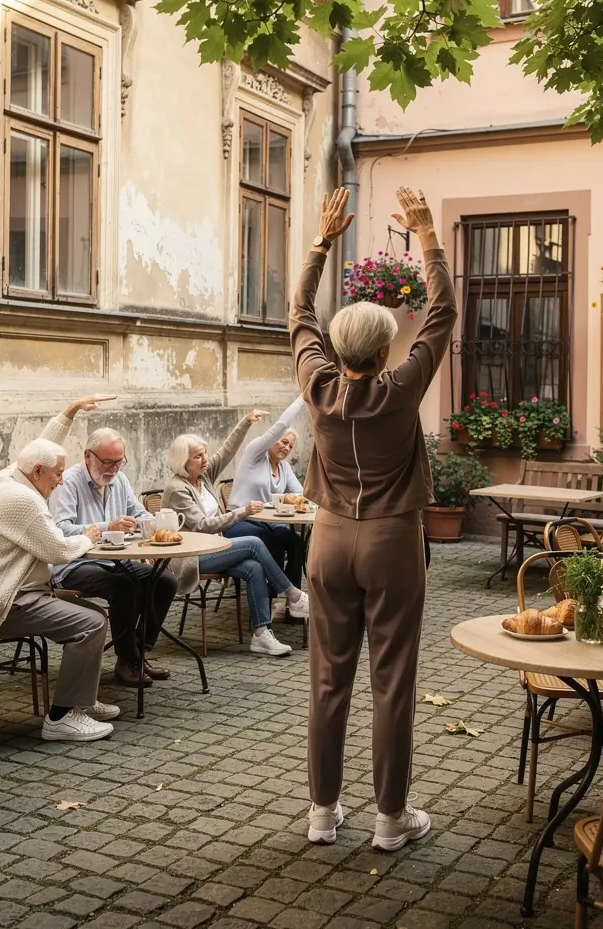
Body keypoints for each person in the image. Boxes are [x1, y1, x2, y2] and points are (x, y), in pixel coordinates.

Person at [292, 187, 457, 851]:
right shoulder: (402, 386)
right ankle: (391, 820)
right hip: (392, 540)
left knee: (327, 680)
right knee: (392, 680)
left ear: (336, 348)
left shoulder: (318, 384)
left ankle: (322, 814)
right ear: (387, 350)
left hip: (329, 540)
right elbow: (442, 311)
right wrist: (425, 234)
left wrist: (321, 242)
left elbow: (299, 311)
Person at [0, 395, 120, 743]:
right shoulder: (25, 501)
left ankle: (82, 701)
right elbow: (60, 550)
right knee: (90, 623)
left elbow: (43, 447)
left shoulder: (8, 476)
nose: (62, 482)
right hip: (5, 601)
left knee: (95, 616)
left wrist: (69, 412)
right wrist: (88, 535)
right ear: (37, 472)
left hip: (14, 591)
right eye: (58, 474)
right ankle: (62, 718)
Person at [162, 412, 310, 658]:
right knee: (254, 542)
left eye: (204, 454)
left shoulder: (203, 478)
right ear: (183, 461)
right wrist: (243, 512)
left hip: (214, 548)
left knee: (253, 567)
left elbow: (228, 449)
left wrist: (246, 421)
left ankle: (261, 634)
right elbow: (202, 526)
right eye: (198, 456)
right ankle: (292, 594)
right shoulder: (178, 488)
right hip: (191, 557)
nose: (205, 459)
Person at [49, 428, 177, 689]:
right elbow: (60, 528)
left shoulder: (119, 480)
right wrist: (109, 526)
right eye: (107, 462)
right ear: (88, 456)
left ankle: (138, 653)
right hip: (74, 562)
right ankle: (127, 659)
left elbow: (140, 513)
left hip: (115, 559)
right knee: (124, 586)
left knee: (164, 581)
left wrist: (149, 524)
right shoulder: (68, 482)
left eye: (119, 462)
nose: (113, 468)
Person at [226, 395, 306, 581]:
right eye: (283, 442)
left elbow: (300, 495)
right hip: (240, 521)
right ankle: (276, 594)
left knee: (296, 543)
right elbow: (281, 425)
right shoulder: (255, 454)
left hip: (269, 523)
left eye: (290, 446)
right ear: (273, 440)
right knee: (274, 541)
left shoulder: (284, 468)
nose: (286, 448)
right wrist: (302, 399)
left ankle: (291, 600)